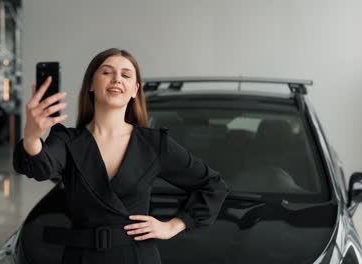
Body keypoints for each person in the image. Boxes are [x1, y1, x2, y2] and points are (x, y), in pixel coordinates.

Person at [13, 48, 229, 264]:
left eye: (126, 75)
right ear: (90, 84)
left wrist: (173, 225)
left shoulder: (153, 144)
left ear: (135, 90)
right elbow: (40, 168)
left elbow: (212, 184)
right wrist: (32, 135)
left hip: (136, 257)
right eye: (107, 72)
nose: (117, 79)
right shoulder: (67, 140)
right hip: (81, 258)